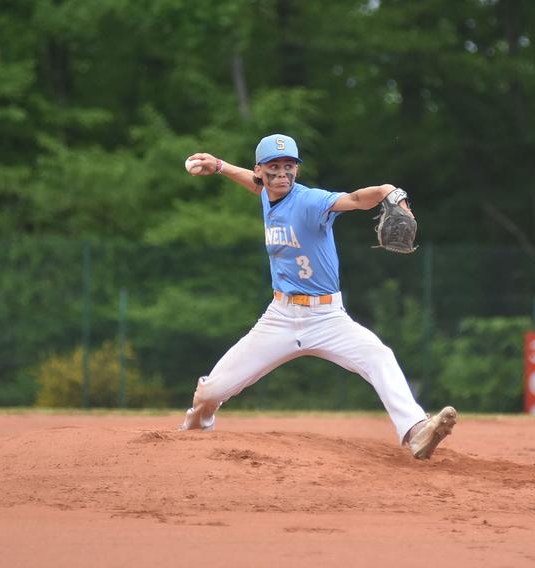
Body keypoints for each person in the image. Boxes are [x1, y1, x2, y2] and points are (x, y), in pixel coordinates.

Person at [178, 133, 456, 459]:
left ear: (297, 169)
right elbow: (255, 185)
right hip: (279, 317)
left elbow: (353, 200)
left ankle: (416, 430)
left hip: (326, 317)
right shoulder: (268, 193)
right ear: (260, 170)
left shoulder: (309, 201)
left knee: (378, 356)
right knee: (210, 392)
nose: (282, 174)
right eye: (274, 167)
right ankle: (197, 428)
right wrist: (221, 166)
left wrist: (385, 192)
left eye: (289, 166)